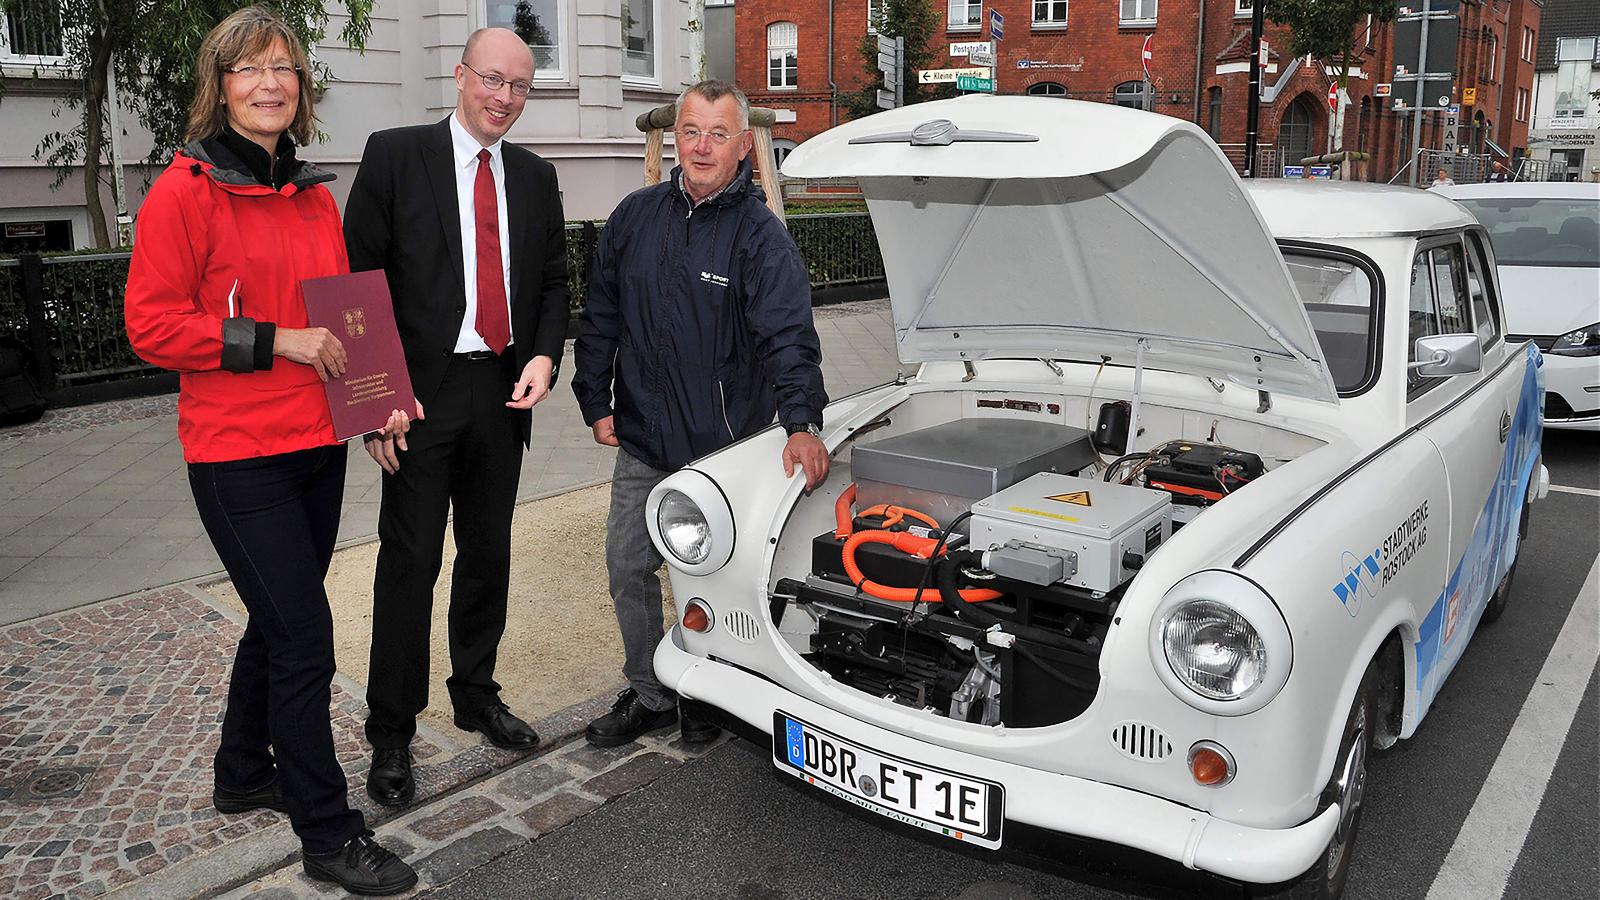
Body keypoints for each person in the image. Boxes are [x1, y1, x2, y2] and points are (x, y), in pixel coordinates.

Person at [122, 7, 415, 895]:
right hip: (235, 455)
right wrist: (272, 341)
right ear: (219, 84)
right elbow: (150, 325)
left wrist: (376, 409)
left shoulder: (314, 193)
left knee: (277, 620)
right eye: (251, 68)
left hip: (314, 449)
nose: (271, 82)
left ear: (302, 88)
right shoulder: (185, 190)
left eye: (285, 68)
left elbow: (340, 314)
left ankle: (243, 771)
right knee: (304, 639)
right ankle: (328, 835)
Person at [342, 27, 570, 807]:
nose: (503, 98)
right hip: (414, 399)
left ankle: (476, 693)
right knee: (408, 564)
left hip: (501, 394)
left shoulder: (537, 177)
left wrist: (544, 358)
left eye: (518, 87)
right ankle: (392, 733)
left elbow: (551, 283)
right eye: (492, 80)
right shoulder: (395, 155)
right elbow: (355, 286)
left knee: (488, 555)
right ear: (461, 74)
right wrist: (374, 404)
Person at [572, 80, 830, 747]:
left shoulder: (760, 237)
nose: (703, 146)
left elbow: (789, 340)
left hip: (722, 456)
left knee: (715, 575)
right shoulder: (634, 217)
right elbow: (599, 315)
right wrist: (593, 398)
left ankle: (712, 695)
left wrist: (801, 424)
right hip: (642, 442)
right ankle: (652, 692)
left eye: (720, 133)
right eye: (691, 130)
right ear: (674, 138)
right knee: (627, 567)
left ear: (744, 146)